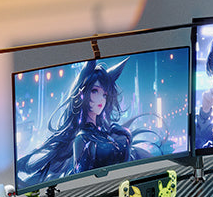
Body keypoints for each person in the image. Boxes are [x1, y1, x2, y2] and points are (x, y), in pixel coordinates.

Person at [16, 58, 168, 188]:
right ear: (83, 94)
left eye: (104, 94)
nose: (101, 99)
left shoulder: (110, 133)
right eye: (95, 91)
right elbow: (79, 181)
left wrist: (126, 137)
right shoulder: (82, 139)